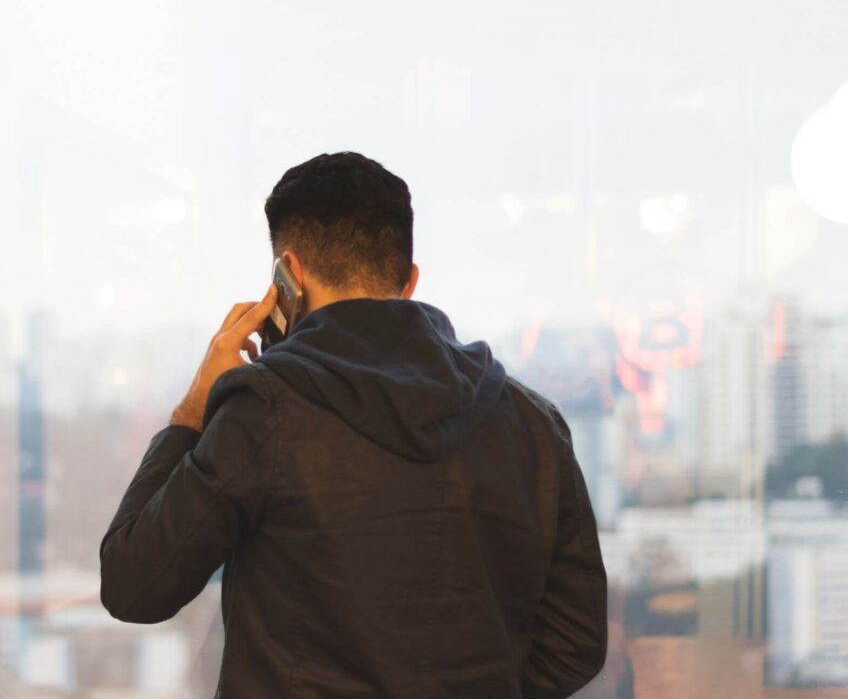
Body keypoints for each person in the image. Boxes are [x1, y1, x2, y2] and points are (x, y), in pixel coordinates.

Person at [100, 151, 608, 698]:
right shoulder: (534, 424)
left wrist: (193, 410)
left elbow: (134, 584)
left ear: (288, 275)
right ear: (409, 281)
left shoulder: (263, 412)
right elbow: (576, 642)